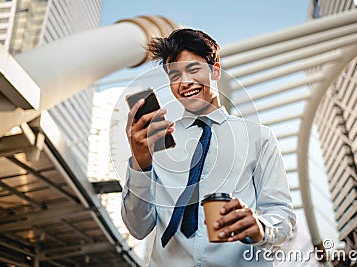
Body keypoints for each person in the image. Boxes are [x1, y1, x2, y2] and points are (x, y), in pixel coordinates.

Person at [122, 28, 296, 267]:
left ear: (215, 70)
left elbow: (282, 215)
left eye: (193, 69)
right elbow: (138, 228)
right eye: (174, 76)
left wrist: (260, 227)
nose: (184, 83)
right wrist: (140, 163)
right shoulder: (157, 143)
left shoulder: (259, 137)